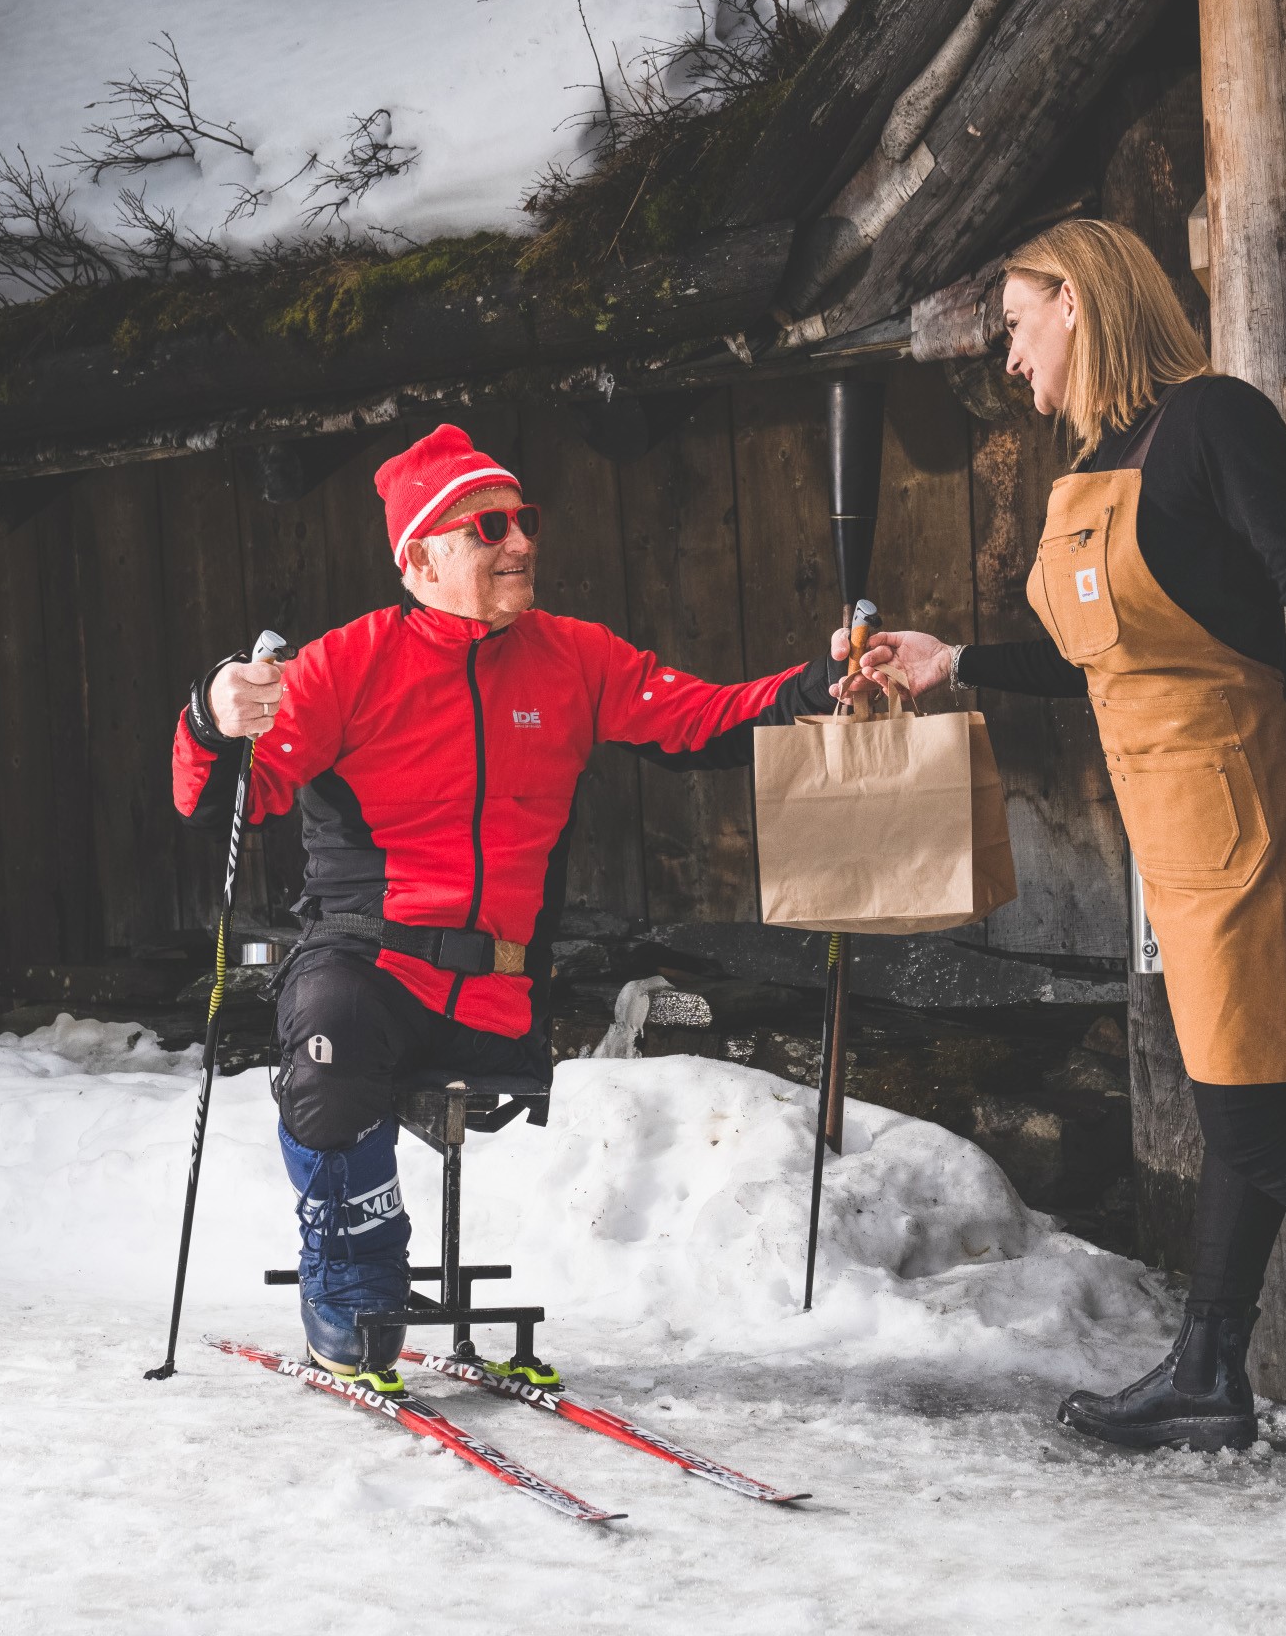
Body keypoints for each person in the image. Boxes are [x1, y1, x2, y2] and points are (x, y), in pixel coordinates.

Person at [860, 220, 1286, 1453]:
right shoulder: (1094, 464)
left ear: (1078, 300)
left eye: (1015, 324)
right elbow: (1089, 657)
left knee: (1246, 1118)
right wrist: (953, 661)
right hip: (1166, 821)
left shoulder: (1211, 419)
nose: (1010, 358)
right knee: (1239, 1098)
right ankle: (1209, 1371)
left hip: (1237, 800)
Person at [171, 424, 840, 1394]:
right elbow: (222, 802)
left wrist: (823, 683)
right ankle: (353, 1270)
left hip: (495, 994)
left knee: (349, 1035)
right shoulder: (342, 664)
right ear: (420, 558)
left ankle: (362, 1257)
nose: (520, 540)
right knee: (327, 1036)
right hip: (369, 969)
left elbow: (700, 720)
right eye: (489, 527)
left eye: (523, 520)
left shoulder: (573, 656)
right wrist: (210, 713)